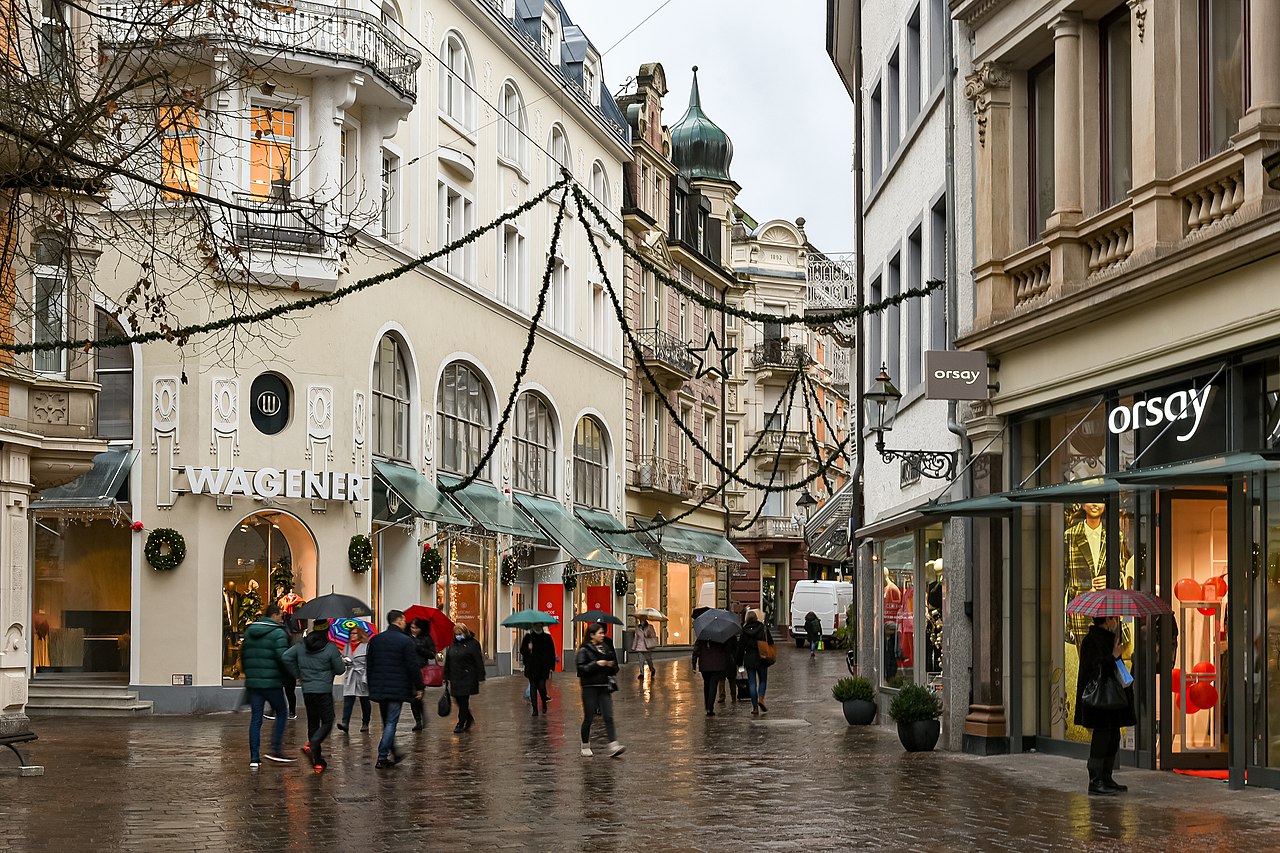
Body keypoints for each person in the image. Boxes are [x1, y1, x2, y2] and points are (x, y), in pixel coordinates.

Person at [1075, 615, 1136, 795]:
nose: (1115, 622)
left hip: (1112, 699)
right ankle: (1095, 780)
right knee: (1101, 739)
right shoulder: (1091, 641)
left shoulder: (1110, 639)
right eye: (1113, 619)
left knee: (1112, 737)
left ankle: (1106, 777)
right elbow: (1093, 670)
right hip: (1100, 700)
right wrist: (1113, 657)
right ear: (1107, 621)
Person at [282, 619, 346, 773]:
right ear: (326, 630)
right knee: (328, 721)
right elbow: (340, 669)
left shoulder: (301, 646)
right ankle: (312, 744)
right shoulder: (330, 648)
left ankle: (317, 761)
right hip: (323, 690)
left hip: (308, 690)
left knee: (313, 723)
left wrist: (298, 673)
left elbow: (285, 657)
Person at [365, 609, 424, 769]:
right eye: (404, 620)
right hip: (397, 688)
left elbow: (369, 665)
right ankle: (382, 756)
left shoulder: (376, 640)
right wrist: (419, 687)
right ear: (399, 621)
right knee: (391, 722)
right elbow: (413, 666)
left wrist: (372, 685)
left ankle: (394, 752)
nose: (405, 623)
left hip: (380, 687)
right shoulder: (405, 641)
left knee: (387, 722)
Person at [240, 603, 296, 768]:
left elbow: (243, 656)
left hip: (254, 683)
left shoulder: (250, 631)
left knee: (256, 719)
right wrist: (292, 674)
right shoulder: (278, 633)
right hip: (272, 683)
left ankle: (254, 758)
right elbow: (283, 658)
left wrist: (250, 674)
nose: (282, 618)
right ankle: (275, 749)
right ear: (274, 615)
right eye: (280, 615)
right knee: (282, 712)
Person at [576, 622, 624, 757]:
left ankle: (613, 744)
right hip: (589, 687)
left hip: (604, 687)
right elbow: (581, 669)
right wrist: (596, 664)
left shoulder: (606, 648)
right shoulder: (584, 650)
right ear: (592, 635)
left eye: (603, 633)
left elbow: (614, 668)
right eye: (600, 633)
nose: (603, 635)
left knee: (608, 715)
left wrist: (610, 665)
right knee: (589, 717)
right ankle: (585, 745)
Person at [443, 622, 486, 734]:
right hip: (455, 677)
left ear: (465, 633)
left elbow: (478, 661)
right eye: (456, 633)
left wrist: (481, 676)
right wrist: (446, 675)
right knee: (457, 699)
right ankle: (469, 718)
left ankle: (461, 722)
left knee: (463, 700)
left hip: (467, 677)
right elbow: (448, 660)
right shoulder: (452, 645)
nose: (458, 635)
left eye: (460, 633)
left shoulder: (473, 644)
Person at [737, 609, 774, 715]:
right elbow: (770, 642)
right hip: (762, 658)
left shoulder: (744, 630)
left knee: (752, 683)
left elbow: (740, 648)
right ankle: (761, 698)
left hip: (749, 659)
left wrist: (739, 663)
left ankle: (755, 707)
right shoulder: (763, 628)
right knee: (763, 680)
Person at [337, 623, 371, 733]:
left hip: (362, 675)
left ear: (360, 634)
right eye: (351, 633)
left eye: (355, 633)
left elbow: (369, 662)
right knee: (348, 700)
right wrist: (345, 660)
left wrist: (367, 675)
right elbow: (343, 657)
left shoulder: (366, 646)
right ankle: (345, 723)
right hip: (351, 675)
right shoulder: (347, 646)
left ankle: (365, 722)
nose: (352, 635)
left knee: (364, 701)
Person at [519, 624, 556, 716]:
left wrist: (551, 666)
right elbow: (522, 651)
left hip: (543, 667)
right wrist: (528, 648)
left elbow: (551, 652)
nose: (538, 626)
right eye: (536, 625)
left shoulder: (547, 637)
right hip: (532, 667)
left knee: (541, 686)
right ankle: (535, 709)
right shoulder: (528, 637)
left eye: (540, 624)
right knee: (533, 687)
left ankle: (544, 702)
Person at [692, 634, 733, 717]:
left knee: (706, 684)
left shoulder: (702, 636)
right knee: (713, 685)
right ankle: (710, 708)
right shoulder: (720, 636)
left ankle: (707, 705)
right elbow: (727, 649)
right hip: (717, 665)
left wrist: (694, 663)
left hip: (705, 664)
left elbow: (696, 650)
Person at [407, 618, 437, 731]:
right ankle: (418, 720)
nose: (414, 630)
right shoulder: (407, 637)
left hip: (422, 670)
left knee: (418, 696)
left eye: (416, 628)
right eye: (412, 627)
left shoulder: (427, 638)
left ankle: (421, 718)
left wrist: (420, 649)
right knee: (413, 696)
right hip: (409, 670)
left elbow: (432, 654)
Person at [632, 615, 658, 681]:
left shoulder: (650, 627)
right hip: (639, 646)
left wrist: (648, 635)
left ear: (645, 620)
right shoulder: (637, 628)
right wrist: (634, 646)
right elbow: (636, 638)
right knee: (641, 660)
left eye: (642, 620)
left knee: (649, 659)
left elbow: (653, 635)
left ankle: (652, 669)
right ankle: (642, 673)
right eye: (640, 620)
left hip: (647, 646)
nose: (641, 621)